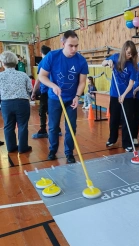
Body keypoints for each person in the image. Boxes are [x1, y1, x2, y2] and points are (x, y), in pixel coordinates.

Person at [38, 30, 89, 163]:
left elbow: (82, 82)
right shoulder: (52, 56)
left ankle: (69, 153)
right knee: (53, 126)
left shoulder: (81, 61)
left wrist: (78, 96)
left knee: (71, 127)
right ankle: (52, 151)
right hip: (55, 98)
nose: (74, 49)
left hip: (71, 99)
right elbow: (41, 76)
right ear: (63, 44)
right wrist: (53, 86)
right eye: (70, 46)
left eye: (76, 46)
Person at [102, 40, 138, 152]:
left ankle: (126, 143)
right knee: (114, 119)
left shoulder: (133, 66)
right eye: (128, 53)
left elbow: (131, 83)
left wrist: (124, 95)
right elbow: (103, 63)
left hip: (126, 97)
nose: (130, 56)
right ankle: (112, 139)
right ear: (123, 51)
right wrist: (108, 62)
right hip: (114, 94)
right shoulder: (115, 57)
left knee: (126, 120)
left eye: (132, 54)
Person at [0, 51, 32, 153]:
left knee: (8, 126)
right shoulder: (23, 75)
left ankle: (11, 147)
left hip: (6, 103)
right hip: (22, 103)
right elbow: (30, 89)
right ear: (16, 62)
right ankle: (23, 148)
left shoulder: (0, 76)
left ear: (2, 63)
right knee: (22, 125)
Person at [31, 45, 62, 138]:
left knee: (42, 111)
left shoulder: (43, 62)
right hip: (54, 90)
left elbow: (39, 80)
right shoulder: (55, 61)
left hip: (46, 91)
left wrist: (33, 92)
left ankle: (43, 130)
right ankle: (57, 129)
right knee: (52, 111)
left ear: (41, 53)